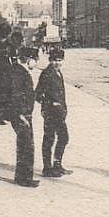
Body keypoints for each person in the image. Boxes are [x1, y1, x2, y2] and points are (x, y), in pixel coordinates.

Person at [35, 47, 70, 177]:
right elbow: (38, 94)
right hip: (51, 112)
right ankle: (47, 168)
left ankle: (57, 165)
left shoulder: (58, 72)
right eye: (54, 60)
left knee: (62, 137)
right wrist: (50, 104)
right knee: (50, 139)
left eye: (60, 60)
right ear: (50, 60)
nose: (57, 63)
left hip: (59, 112)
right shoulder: (47, 73)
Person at [9, 47, 38, 187]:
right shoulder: (19, 73)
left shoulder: (19, 71)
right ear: (29, 60)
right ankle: (24, 178)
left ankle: (23, 176)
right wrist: (21, 115)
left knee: (25, 145)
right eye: (35, 60)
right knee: (26, 146)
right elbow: (16, 95)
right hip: (21, 115)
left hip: (24, 114)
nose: (36, 63)